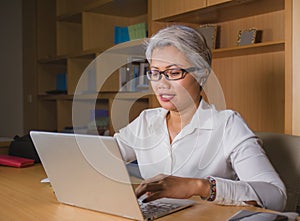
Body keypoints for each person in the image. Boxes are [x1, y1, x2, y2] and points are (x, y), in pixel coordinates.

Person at [114, 25, 286, 211]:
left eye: (173, 73)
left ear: (202, 75)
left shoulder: (227, 124)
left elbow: (276, 196)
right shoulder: (146, 121)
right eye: (155, 73)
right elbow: (103, 157)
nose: (161, 84)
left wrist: (198, 186)